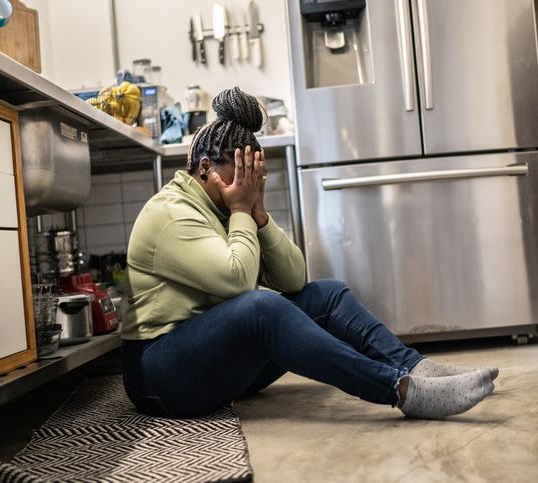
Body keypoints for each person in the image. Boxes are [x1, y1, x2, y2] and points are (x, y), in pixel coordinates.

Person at [121, 87, 497, 420]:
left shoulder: (224, 208)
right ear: (205, 168)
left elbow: (293, 280)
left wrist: (259, 215)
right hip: (159, 375)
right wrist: (240, 211)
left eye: (254, 177)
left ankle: (415, 368)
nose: (248, 186)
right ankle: (400, 390)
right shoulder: (170, 213)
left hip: (212, 366)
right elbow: (236, 283)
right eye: (241, 175)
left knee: (327, 295)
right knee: (259, 309)